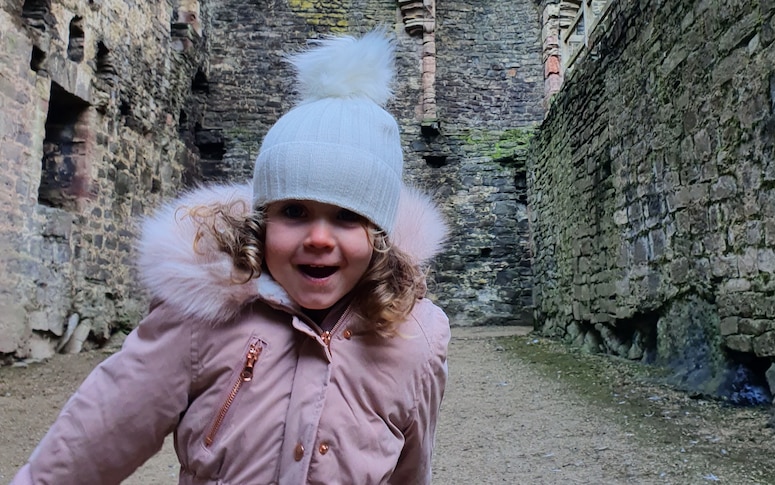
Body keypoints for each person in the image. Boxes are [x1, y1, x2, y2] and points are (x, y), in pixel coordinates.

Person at [12, 30, 450, 485]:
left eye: (346, 216)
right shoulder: (203, 318)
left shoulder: (413, 339)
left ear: (379, 233)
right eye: (294, 211)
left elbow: (412, 469)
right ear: (263, 222)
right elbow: (101, 429)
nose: (319, 238)